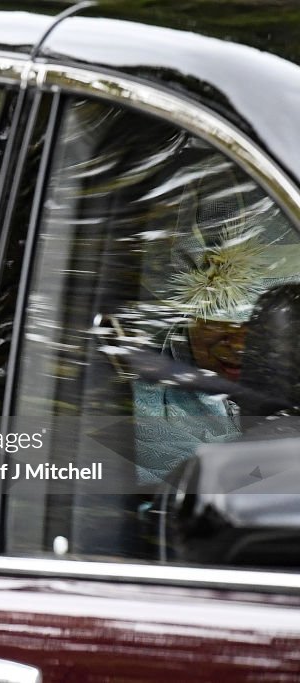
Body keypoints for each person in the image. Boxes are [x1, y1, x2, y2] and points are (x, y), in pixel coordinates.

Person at [133, 166, 300, 485]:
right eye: (218, 321)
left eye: (260, 322)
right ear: (188, 320)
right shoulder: (146, 410)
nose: (237, 344)